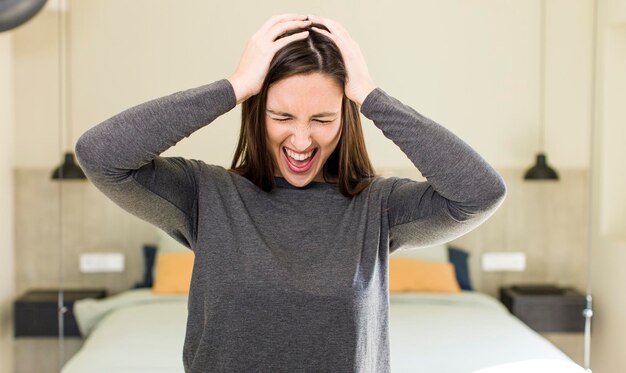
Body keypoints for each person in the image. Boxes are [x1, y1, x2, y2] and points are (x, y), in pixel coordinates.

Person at [75, 13, 507, 373]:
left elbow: (480, 193)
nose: (301, 141)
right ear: (256, 113)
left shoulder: (378, 206)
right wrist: (234, 86)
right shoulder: (207, 194)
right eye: (282, 115)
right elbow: (100, 154)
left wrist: (371, 97)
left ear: (346, 117)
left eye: (322, 119)